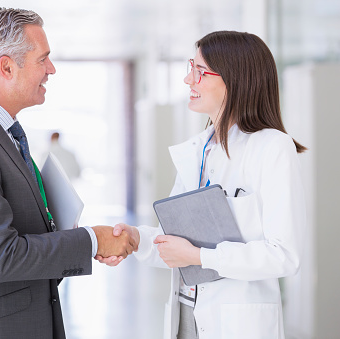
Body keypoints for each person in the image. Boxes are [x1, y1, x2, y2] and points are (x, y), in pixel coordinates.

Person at [0, 8, 136, 339]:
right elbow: (0, 256)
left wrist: (60, 231)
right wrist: (91, 240)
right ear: (6, 67)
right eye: (43, 60)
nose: (51, 70)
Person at [98, 31, 306, 339]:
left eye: (200, 71)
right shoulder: (199, 150)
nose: (188, 80)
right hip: (186, 316)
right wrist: (136, 239)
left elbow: (284, 255)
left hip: (237, 323)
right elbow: (177, 243)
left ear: (235, 79)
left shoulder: (272, 147)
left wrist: (200, 257)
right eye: (189, 67)